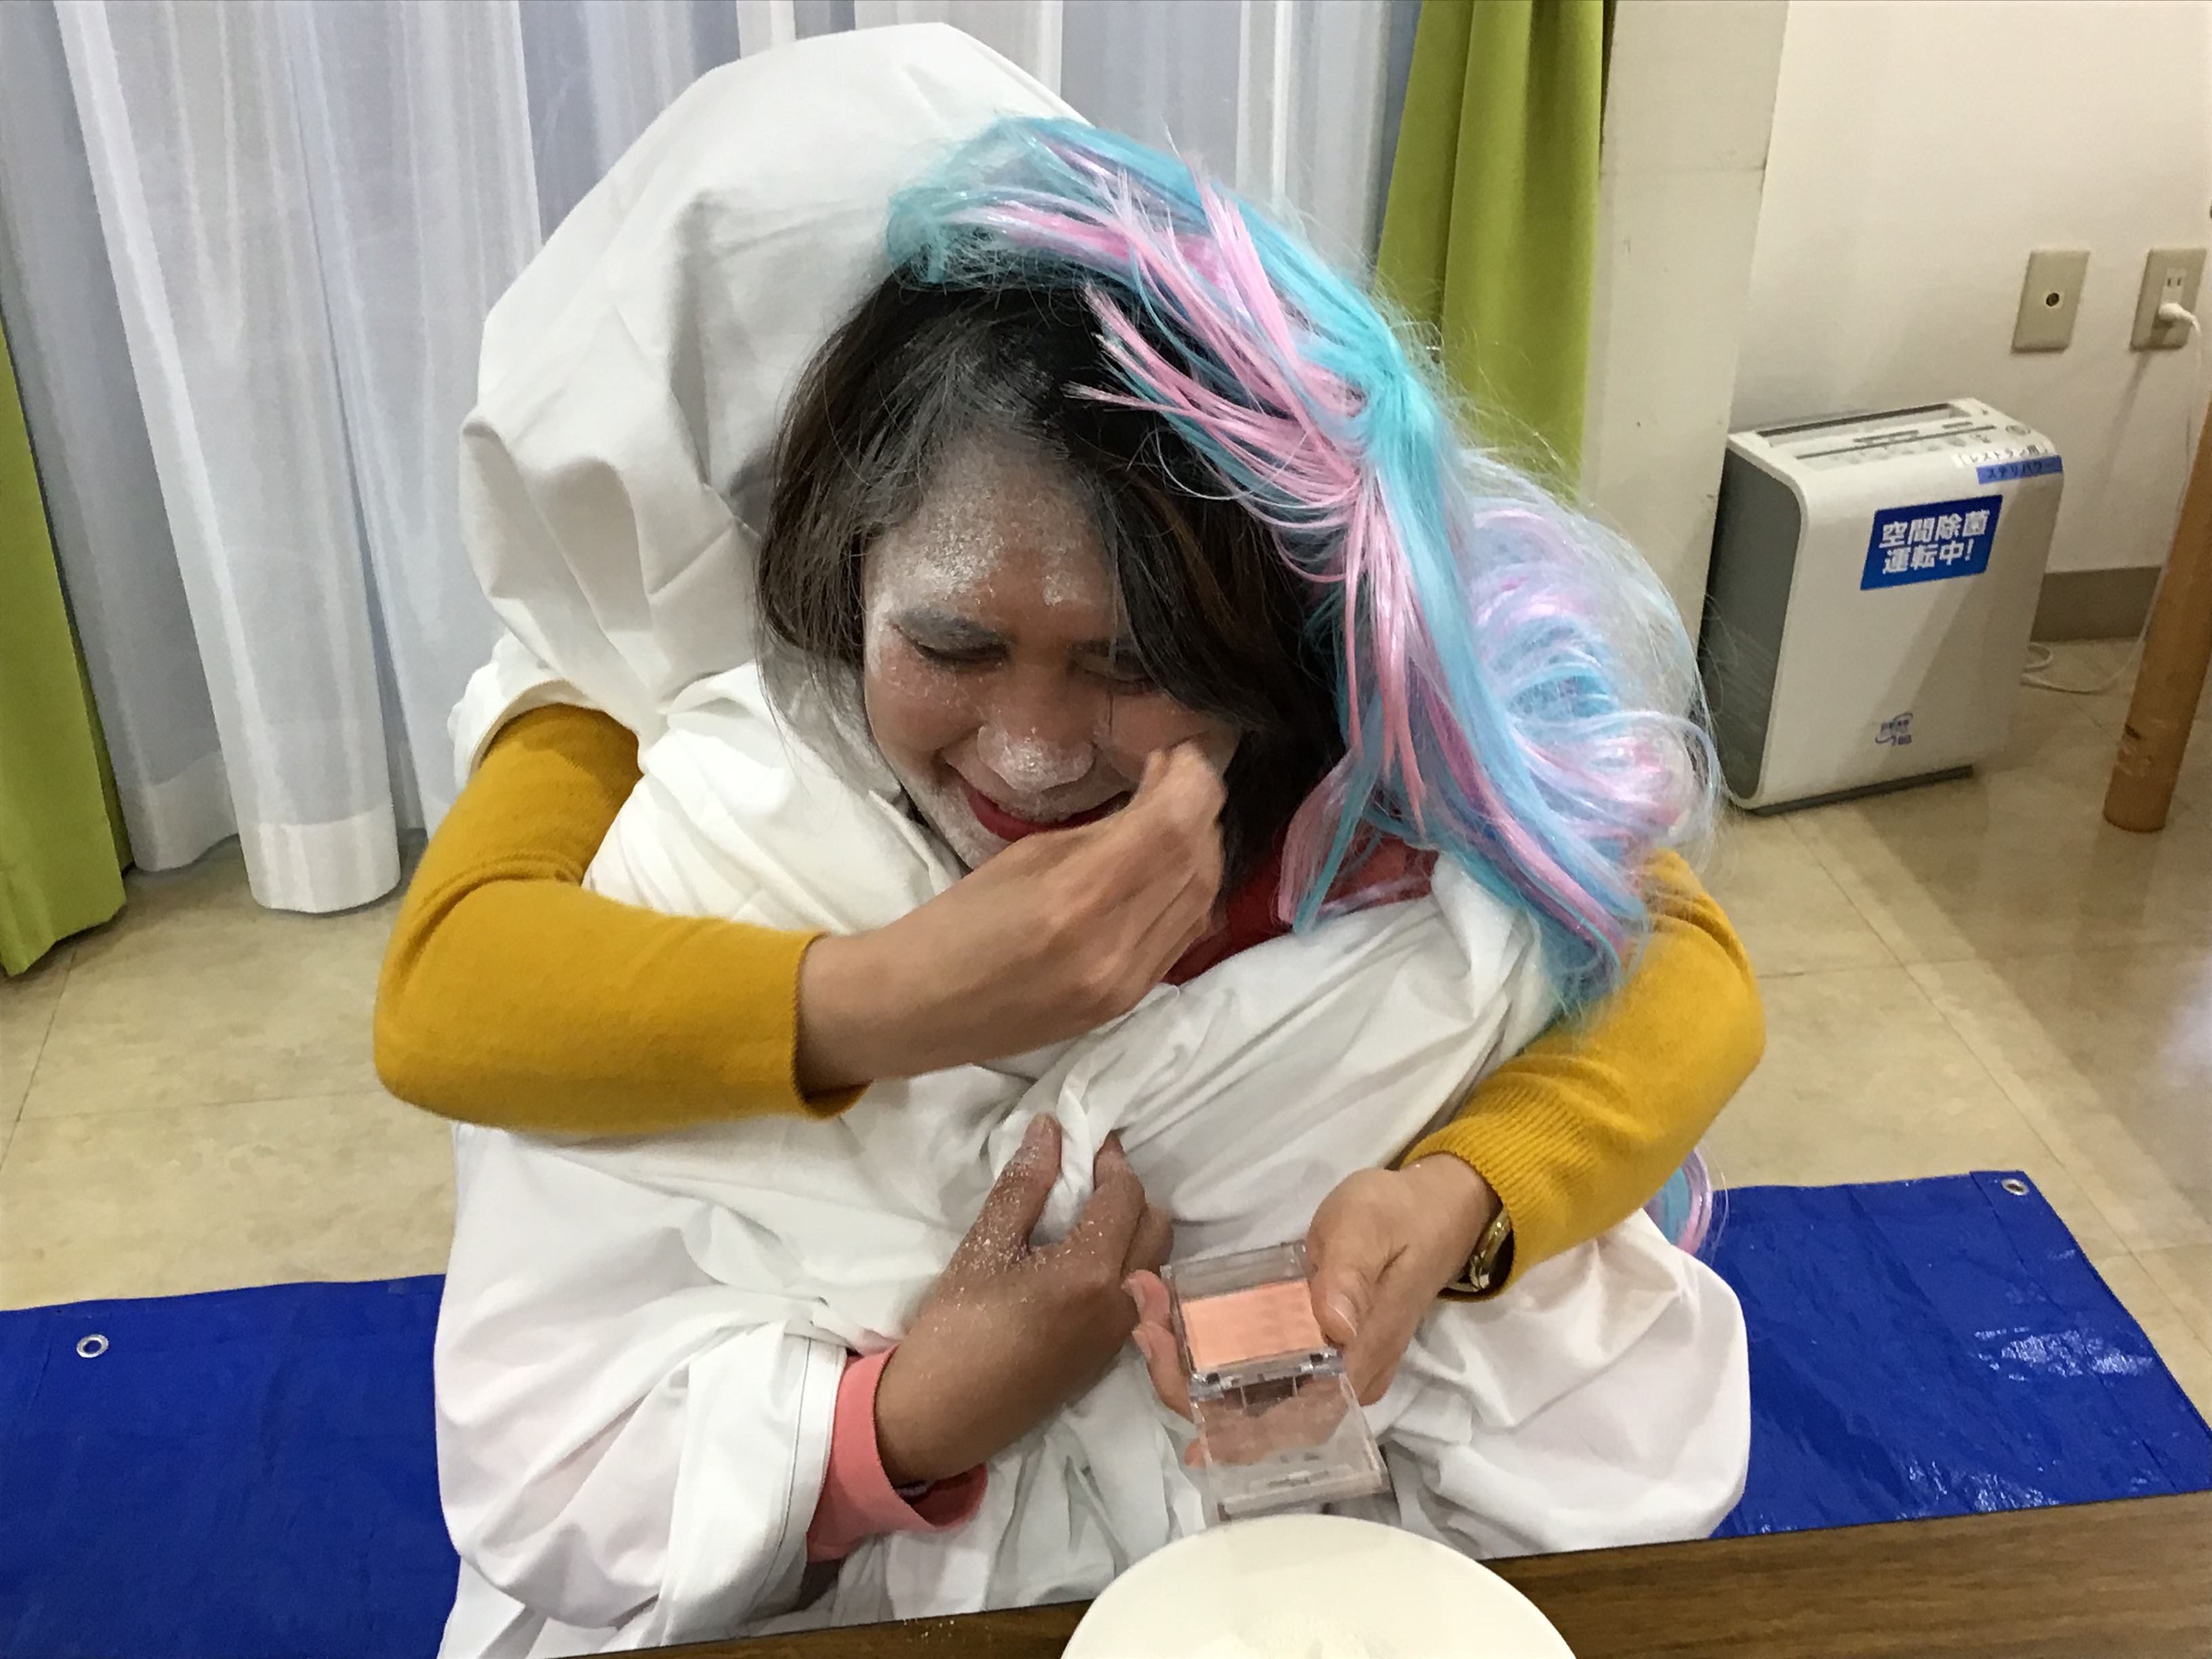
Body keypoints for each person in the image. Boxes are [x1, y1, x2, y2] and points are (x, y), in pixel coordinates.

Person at [380, 27, 1760, 1657]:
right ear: (815, 535)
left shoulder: (1396, 778)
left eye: (1128, 661)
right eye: (952, 646)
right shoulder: (696, 788)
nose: (1031, 755)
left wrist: (1456, 1197)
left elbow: (1664, 956)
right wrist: (907, 1367)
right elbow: (458, 1031)